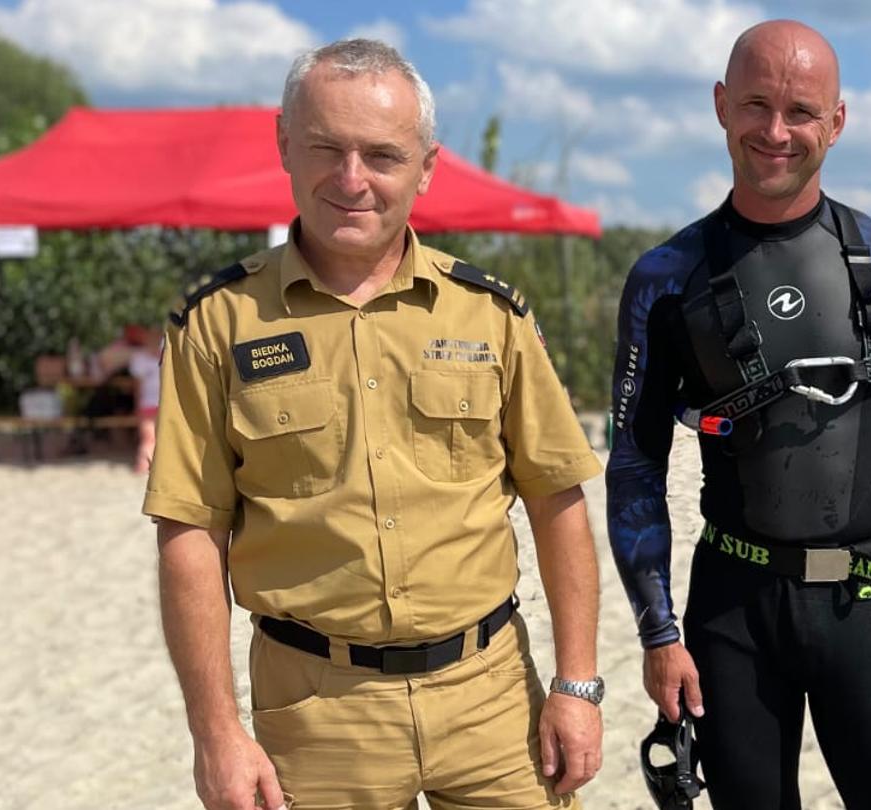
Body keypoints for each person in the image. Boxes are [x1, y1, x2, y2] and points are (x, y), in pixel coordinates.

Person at [144, 39, 604, 810]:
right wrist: (216, 734)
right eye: (327, 148)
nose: (352, 180)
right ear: (286, 146)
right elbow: (190, 534)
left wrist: (578, 684)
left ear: (426, 167)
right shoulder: (215, 324)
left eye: (382, 155)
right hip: (315, 715)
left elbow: (558, 500)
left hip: (492, 701)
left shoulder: (490, 315)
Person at [605, 20, 871, 810]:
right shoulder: (666, 278)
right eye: (756, 105)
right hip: (729, 613)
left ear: (836, 122)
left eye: (801, 111)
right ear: (720, 106)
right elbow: (635, 462)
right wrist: (658, 634)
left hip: (864, 600)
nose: (776, 132)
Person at [126, 323, 160, 473]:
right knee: (148, 437)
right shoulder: (140, 358)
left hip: (164, 403)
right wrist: (137, 404)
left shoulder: (167, 353)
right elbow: (137, 387)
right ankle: (144, 466)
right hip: (148, 403)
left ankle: (151, 466)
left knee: (160, 438)